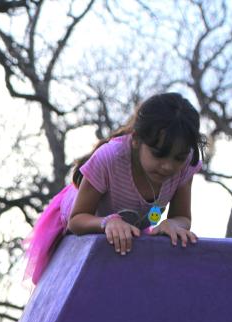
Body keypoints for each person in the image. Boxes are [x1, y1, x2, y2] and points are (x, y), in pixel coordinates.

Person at [25, 92, 206, 284]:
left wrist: (173, 224)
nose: (168, 166)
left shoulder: (187, 164)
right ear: (136, 140)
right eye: (158, 154)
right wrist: (107, 222)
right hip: (78, 221)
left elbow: (183, 217)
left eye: (178, 158)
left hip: (128, 227)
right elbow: (76, 220)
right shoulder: (110, 158)